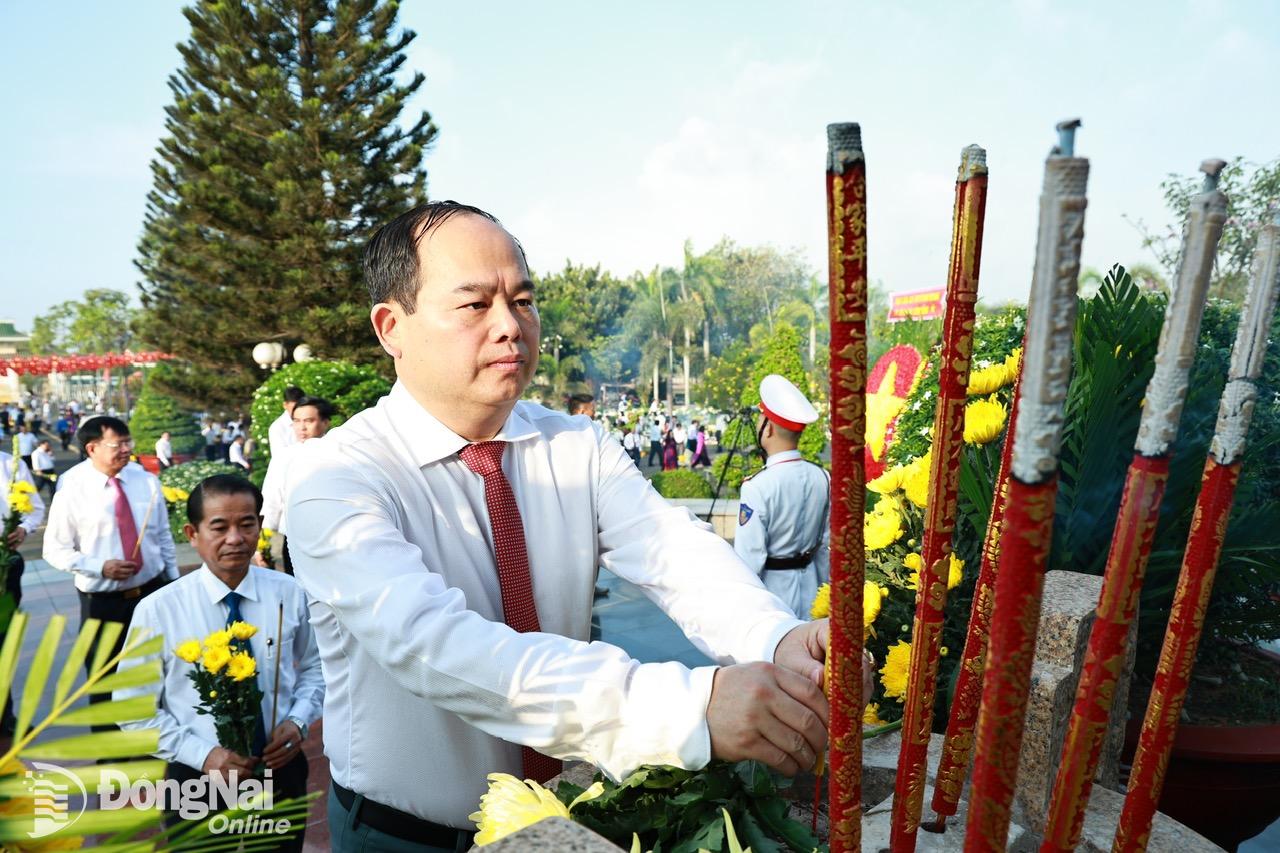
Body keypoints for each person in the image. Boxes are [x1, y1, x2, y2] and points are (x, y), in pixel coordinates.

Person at [286, 201, 836, 852]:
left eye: (522, 300)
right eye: (474, 305)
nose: (510, 325)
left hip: (558, 816)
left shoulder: (576, 444)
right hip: (405, 836)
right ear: (391, 327)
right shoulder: (338, 479)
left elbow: (672, 552)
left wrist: (775, 636)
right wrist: (688, 708)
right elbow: (438, 647)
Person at [116, 475, 323, 852]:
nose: (235, 538)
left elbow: (316, 668)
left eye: (247, 524)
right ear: (192, 533)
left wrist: (298, 721)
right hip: (197, 779)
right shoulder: (159, 610)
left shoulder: (289, 593)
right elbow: (133, 709)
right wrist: (205, 755)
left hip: (280, 771)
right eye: (220, 527)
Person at [43, 416, 179, 719]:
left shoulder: (146, 480)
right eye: (118, 444)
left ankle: (157, 743)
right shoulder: (73, 488)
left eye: (128, 442)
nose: (127, 450)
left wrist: (172, 583)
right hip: (103, 603)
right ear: (92, 448)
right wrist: (99, 567)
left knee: (158, 670)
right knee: (104, 679)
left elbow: (163, 537)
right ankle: (110, 752)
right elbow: (54, 549)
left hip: (151, 592)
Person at [733, 375, 831, 619]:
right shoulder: (823, 477)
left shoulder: (757, 486)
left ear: (770, 428)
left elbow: (749, 559)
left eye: (760, 417)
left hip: (771, 601)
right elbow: (826, 549)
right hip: (813, 595)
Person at [259, 395, 332, 575]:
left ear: (325, 422)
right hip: (294, 538)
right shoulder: (284, 457)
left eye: (309, 420)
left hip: (332, 536)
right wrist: (264, 545)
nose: (302, 427)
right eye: (296, 421)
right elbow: (272, 500)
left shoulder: (338, 453)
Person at [0, 448, 45, 737]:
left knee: (4, 643)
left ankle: (6, 717)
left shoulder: (8, 463)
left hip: (5, 564)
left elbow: (36, 508)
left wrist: (24, 528)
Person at [269, 386, 306, 453]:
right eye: (294, 408)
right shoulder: (277, 427)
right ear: (285, 405)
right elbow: (279, 456)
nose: (297, 411)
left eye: (301, 406)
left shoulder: (311, 421)